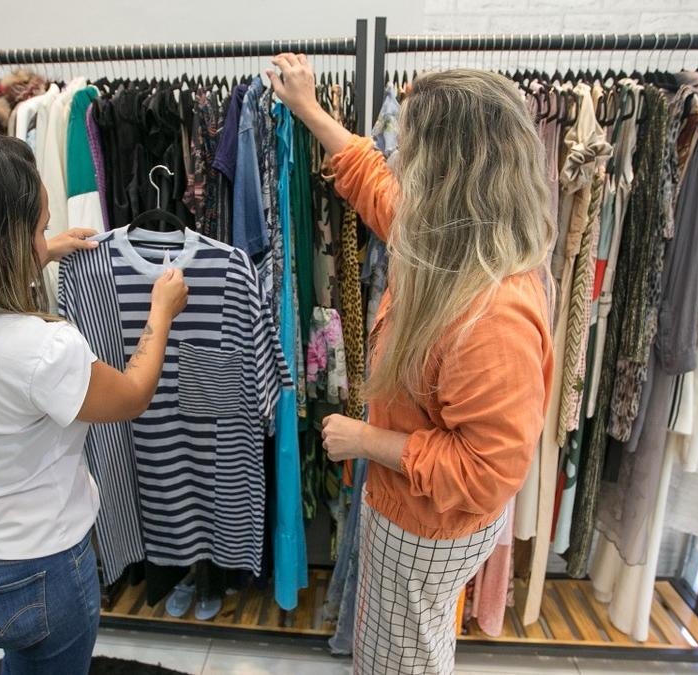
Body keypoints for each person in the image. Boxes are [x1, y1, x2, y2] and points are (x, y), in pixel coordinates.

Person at [270, 57, 555, 674]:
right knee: (412, 644)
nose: (401, 161)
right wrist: (308, 108)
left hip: (427, 525)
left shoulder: (492, 313)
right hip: (414, 509)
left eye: (413, 147)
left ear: (447, 170)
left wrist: (366, 440)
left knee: (400, 662)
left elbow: (487, 470)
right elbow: (372, 181)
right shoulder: (447, 240)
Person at [0, 130, 188, 674]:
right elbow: (131, 397)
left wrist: (49, 249)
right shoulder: (43, 349)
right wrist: (161, 313)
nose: (46, 239)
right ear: (1, 241)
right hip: (33, 570)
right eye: (39, 229)